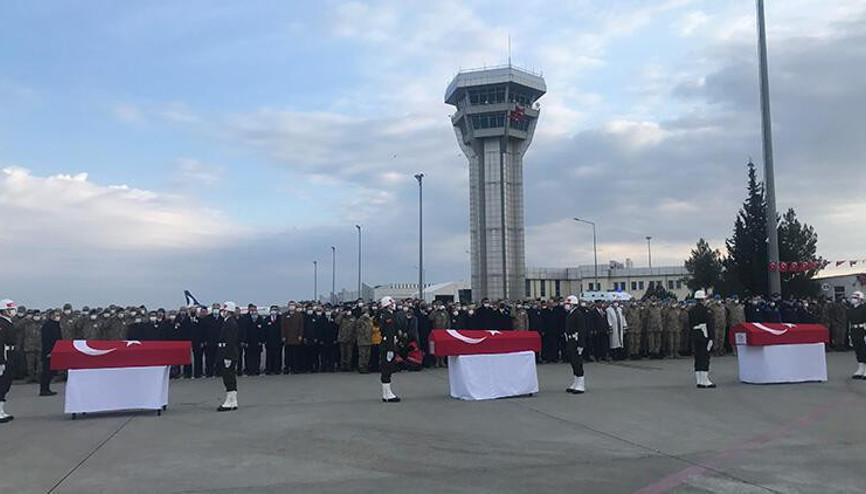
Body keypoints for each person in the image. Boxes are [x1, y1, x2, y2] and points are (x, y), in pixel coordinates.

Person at [688, 290, 716, 389]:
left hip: (695, 335)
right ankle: (705, 380)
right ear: (703, 299)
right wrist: (712, 337)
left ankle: (699, 380)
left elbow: (690, 324)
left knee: (698, 357)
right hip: (704, 335)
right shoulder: (706, 310)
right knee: (705, 357)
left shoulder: (691, 310)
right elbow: (710, 325)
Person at [377, 296, 400, 403]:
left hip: (388, 344)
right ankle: (387, 394)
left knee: (388, 368)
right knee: (387, 368)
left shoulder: (386, 315)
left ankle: (387, 393)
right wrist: (391, 347)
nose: (394, 305)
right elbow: (389, 332)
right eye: (392, 304)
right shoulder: (387, 316)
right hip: (388, 345)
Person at [217, 302, 239, 412]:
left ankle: (230, 401)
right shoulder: (227, 322)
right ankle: (232, 401)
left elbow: (230, 342)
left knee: (229, 378)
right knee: (229, 378)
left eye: (224, 311)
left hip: (228, 355)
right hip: (226, 354)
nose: (222, 312)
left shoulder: (230, 323)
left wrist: (228, 357)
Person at [563, 296, 586, 394]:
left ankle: (581, 384)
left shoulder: (578, 314)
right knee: (573, 362)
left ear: (573, 304)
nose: (566, 306)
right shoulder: (570, 314)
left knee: (577, 362)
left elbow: (581, 330)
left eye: (568, 304)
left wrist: (581, 345)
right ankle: (576, 382)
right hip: (570, 340)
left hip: (576, 341)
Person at [1, 299, 18, 423]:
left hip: (10, 354)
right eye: (10, 309)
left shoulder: (8, 322)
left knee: (6, 383)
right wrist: (1, 361)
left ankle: (1, 410)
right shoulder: (2, 324)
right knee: (2, 383)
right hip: (4, 355)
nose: (13, 311)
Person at [39, 310, 62, 396]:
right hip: (48, 351)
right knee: (46, 371)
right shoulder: (47, 326)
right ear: (51, 316)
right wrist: (49, 351)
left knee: (51, 371)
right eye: (56, 315)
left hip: (55, 350)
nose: (58, 317)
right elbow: (46, 340)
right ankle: (44, 389)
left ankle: (47, 388)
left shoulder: (56, 325)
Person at [848, 291, 866, 380]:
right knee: (858, 351)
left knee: (864, 350)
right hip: (854, 330)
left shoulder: (864, 308)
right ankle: (860, 369)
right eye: (852, 297)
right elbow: (849, 322)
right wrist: (850, 334)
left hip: (863, 330)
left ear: (860, 299)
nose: (853, 299)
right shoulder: (850, 309)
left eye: (855, 298)